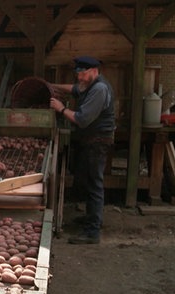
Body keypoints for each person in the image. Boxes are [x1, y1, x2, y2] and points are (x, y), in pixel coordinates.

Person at [49, 56, 115, 245]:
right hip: (89, 140)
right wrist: (52, 85)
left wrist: (61, 109)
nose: (79, 78)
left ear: (94, 71)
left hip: (98, 141)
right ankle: (91, 218)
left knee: (94, 184)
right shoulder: (89, 84)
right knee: (86, 182)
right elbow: (74, 89)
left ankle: (92, 232)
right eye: (77, 74)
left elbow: (82, 119)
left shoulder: (100, 89)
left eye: (82, 74)